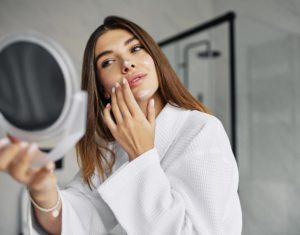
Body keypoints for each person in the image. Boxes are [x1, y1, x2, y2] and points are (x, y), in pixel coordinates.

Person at [0, 16, 242, 234]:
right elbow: (77, 219)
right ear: (103, 89)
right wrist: (42, 189)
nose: (127, 63)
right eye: (108, 62)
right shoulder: (112, 148)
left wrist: (142, 156)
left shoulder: (201, 130)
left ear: (155, 60)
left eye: (136, 49)